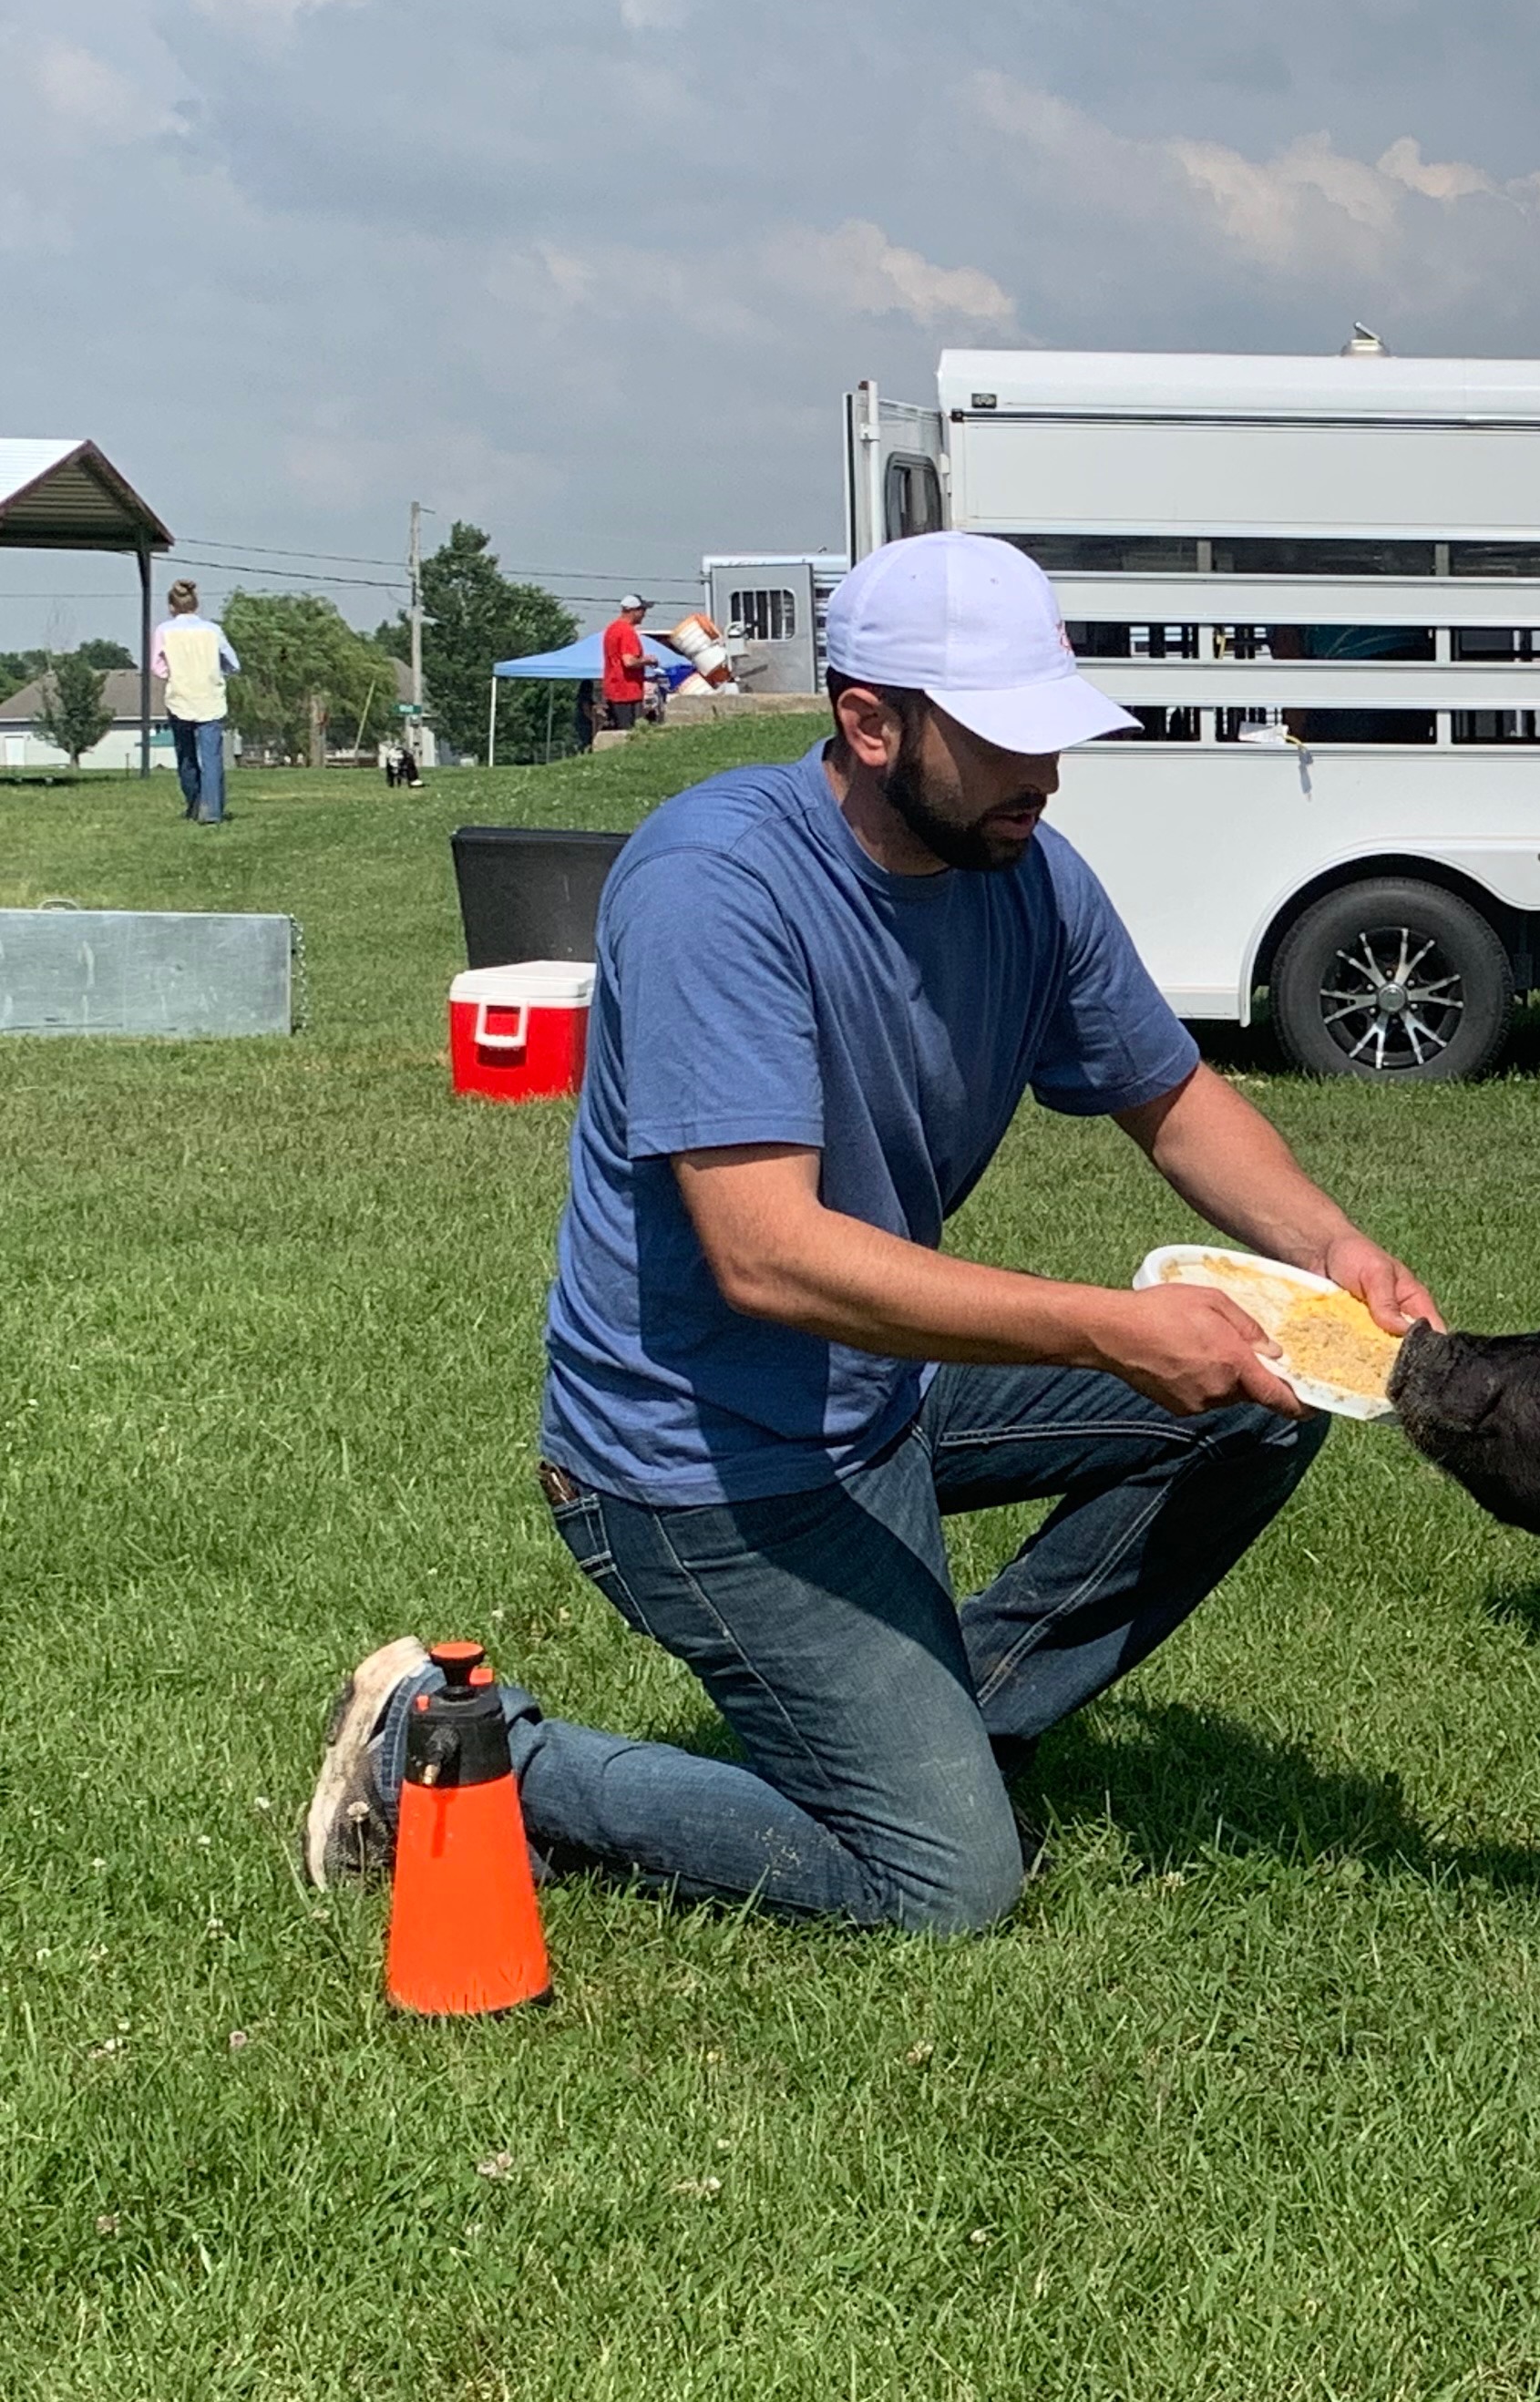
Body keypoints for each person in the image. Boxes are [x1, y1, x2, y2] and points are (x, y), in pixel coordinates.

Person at [303, 530, 1442, 1934]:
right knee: (944, 1890)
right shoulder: (716, 888)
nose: (1048, 777)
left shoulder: (1028, 872)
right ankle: (457, 1743)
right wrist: (1107, 1327)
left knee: (1262, 1398)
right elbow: (765, 1254)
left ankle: (956, 1726)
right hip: (695, 1459)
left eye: (1055, 737)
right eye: (1006, 742)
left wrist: (1330, 1251)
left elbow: (1173, 1096)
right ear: (870, 723)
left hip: (878, 1396)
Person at [150, 580, 236, 824]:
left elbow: (157, 666)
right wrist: (219, 672)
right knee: (212, 757)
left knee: (186, 755)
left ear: (171, 606)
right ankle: (213, 811)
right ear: (196, 604)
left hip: (180, 698)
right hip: (210, 698)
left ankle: (194, 803)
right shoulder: (213, 630)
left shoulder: (164, 631)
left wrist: (174, 673)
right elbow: (232, 662)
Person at [598, 594, 652, 737]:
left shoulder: (612, 629)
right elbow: (629, 661)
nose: (644, 615)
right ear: (634, 611)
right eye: (643, 610)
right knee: (630, 735)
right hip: (628, 692)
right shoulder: (627, 631)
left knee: (617, 732)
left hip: (613, 690)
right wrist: (648, 660)